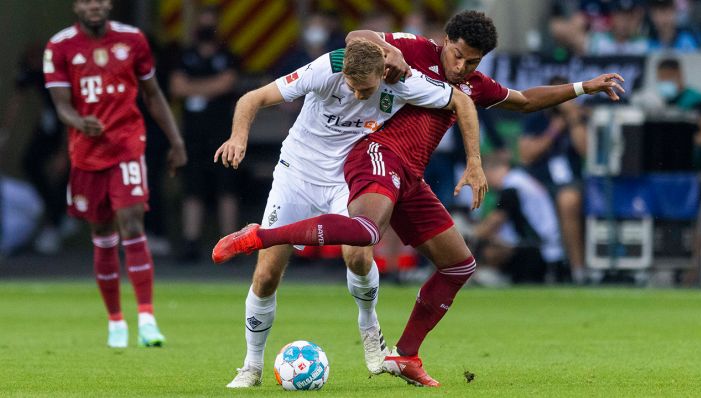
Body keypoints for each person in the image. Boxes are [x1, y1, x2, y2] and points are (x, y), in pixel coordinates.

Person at [214, 10, 624, 387]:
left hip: (378, 174)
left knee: (447, 262)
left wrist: (582, 87)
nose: (462, 67)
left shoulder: (436, 81)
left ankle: (394, 347)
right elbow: (357, 36)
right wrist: (388, 49)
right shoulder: (391, 58)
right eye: (458, 56)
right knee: (276, 271)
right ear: (445, 40)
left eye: (473, 62)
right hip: (340, 163)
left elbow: (515, 101)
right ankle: (251, 364)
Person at [212, 38, 480, 388]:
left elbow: (460, 99)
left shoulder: (405, 79)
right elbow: (253, 98)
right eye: (351, 88)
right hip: (297, 172)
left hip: (345, 175)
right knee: (266, 275)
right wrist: (238, 137)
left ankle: (370, 333)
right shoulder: (324, 69)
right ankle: (251, 366)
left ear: (384, 74)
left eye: (365, 89)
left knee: (359, 252)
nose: (356, 96)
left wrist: (475, 160)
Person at [43, 0, 187, 348]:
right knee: (103, 233)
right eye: (87, 0)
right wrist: (79, 121)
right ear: (76, 5)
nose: (94, 5)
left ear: (109, 4)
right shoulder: (59, 46)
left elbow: (153, 95)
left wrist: (176, 140)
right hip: (86, 154)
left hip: (126, 144)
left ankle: (148, 319)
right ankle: (115, 322)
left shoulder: (134, 40)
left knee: (133, 223)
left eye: (100, 0)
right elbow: (61, 104)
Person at [169, 6, 240, 262]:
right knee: (192, 188)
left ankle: (232, 243)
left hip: (224, 133)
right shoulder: (185, 56)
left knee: (227, 187)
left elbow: (227, 83)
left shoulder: (228, 55)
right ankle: (191, 242)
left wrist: (194, 87)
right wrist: (209, 87)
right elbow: (176, 86)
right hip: (193, 133)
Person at [0, 43, 71, 254]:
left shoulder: (59, 76)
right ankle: (56, 215)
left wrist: (64, 151)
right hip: (48, 125)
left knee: (67, 174)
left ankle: (58, 218)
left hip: (68, 126)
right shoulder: (30, 73)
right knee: (30, 161)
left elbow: (69, 113)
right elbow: (17, 101)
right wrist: (4, 134)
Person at [519, 76, 588, 284]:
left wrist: (573, 119)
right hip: (539, 180)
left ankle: (577, 269)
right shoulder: (536, 118)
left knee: (568, 201)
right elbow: (526, 155)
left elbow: (587, 151)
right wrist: (554, 129)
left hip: (571, 181)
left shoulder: (579, 119)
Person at [473, 154, 564, 284]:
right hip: (548, 245)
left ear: (493, 170)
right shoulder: (522, 180)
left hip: (539, 249)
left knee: (488, 248)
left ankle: (486, 275)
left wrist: (470, 235)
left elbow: (494, 222)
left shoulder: (512, 186)